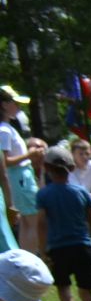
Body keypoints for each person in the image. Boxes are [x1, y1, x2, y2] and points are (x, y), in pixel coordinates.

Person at [34, 146, 91, 301]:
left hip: (57, 248)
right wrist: (88, 239)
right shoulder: (81, 192)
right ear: (72, 168)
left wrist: (43, 248)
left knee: (63, 286)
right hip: (82, 246)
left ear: (46, 168)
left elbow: (41, 223)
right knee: (86, 291)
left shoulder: (44, 195)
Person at [2, 87, 41, 256]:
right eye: (14, 102)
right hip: (18, 177)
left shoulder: (8, 128)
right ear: (3, 104)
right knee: (33, 219)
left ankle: (29, 256)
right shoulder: (3, 130)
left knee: (28, 221)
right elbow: (5, 162)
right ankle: (33, 256)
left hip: (22, 176)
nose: (18, 106)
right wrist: (30, 155)